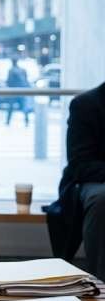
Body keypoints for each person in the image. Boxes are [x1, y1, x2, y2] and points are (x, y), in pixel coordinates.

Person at [50, 81, 105, 279]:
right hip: (95, 179)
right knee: (102, 200)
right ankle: (102, 285)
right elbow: (80, 164)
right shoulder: (87, 104)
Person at [5, 58, 32, 126]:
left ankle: (8, 121)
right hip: (22, 91)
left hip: (14, 91)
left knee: (11, 107)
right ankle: (26, 121)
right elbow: (26, 80)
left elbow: (9, 81)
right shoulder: (22, 70)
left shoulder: (11, 70)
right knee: (23, 106)